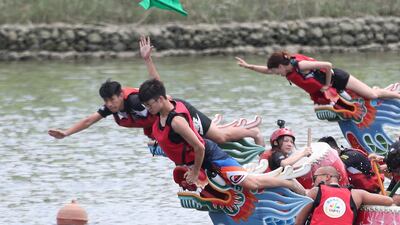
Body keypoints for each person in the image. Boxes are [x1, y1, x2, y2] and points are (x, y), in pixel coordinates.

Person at [48, 36, 265, 147]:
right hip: (163, 126)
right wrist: (66, 133)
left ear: (121, 95)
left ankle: (252, 133)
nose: (111, 104)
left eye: (113, 99)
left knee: (221, 137)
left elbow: (158, 86)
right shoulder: (111, 109)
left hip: (179, 111)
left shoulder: (135, 100)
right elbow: (88, 121)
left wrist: (147, 58)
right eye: (107, 101)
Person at [138, 78, 305, 193]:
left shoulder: (176, 121)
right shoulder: (162, 107)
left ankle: (286, 182)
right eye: (145, 105)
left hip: (211, 157)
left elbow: (199, 146)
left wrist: (195, 172)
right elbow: (158, 84)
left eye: (148, 104)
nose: (147, 108)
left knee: (251, 184)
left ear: (160, 99)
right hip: (194, 162)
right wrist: (148, 60)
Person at [236, 53, 400, 101]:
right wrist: (249, 66)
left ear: (281, 66)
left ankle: (395, 95)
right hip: (331, 87)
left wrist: (327, 85)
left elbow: (327, 65)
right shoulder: (287, 70)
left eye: (276, 71)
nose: (276, 74)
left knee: (372, 95)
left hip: (339, 78)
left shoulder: (300, 66)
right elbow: (266, 70)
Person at [295, 166, 393, 225]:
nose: (313, 182)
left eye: (315, 177)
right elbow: (388, 201)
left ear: (327, 177)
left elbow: (298, 222)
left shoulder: (315, 192)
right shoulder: (357, 194)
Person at [318, 136, 384, 193]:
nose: (325, 157)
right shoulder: (339, 155)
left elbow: (335, 169)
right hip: (357, 190)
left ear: (335, 149)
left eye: (326, 154)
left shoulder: (350, 155)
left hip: (370, 190)